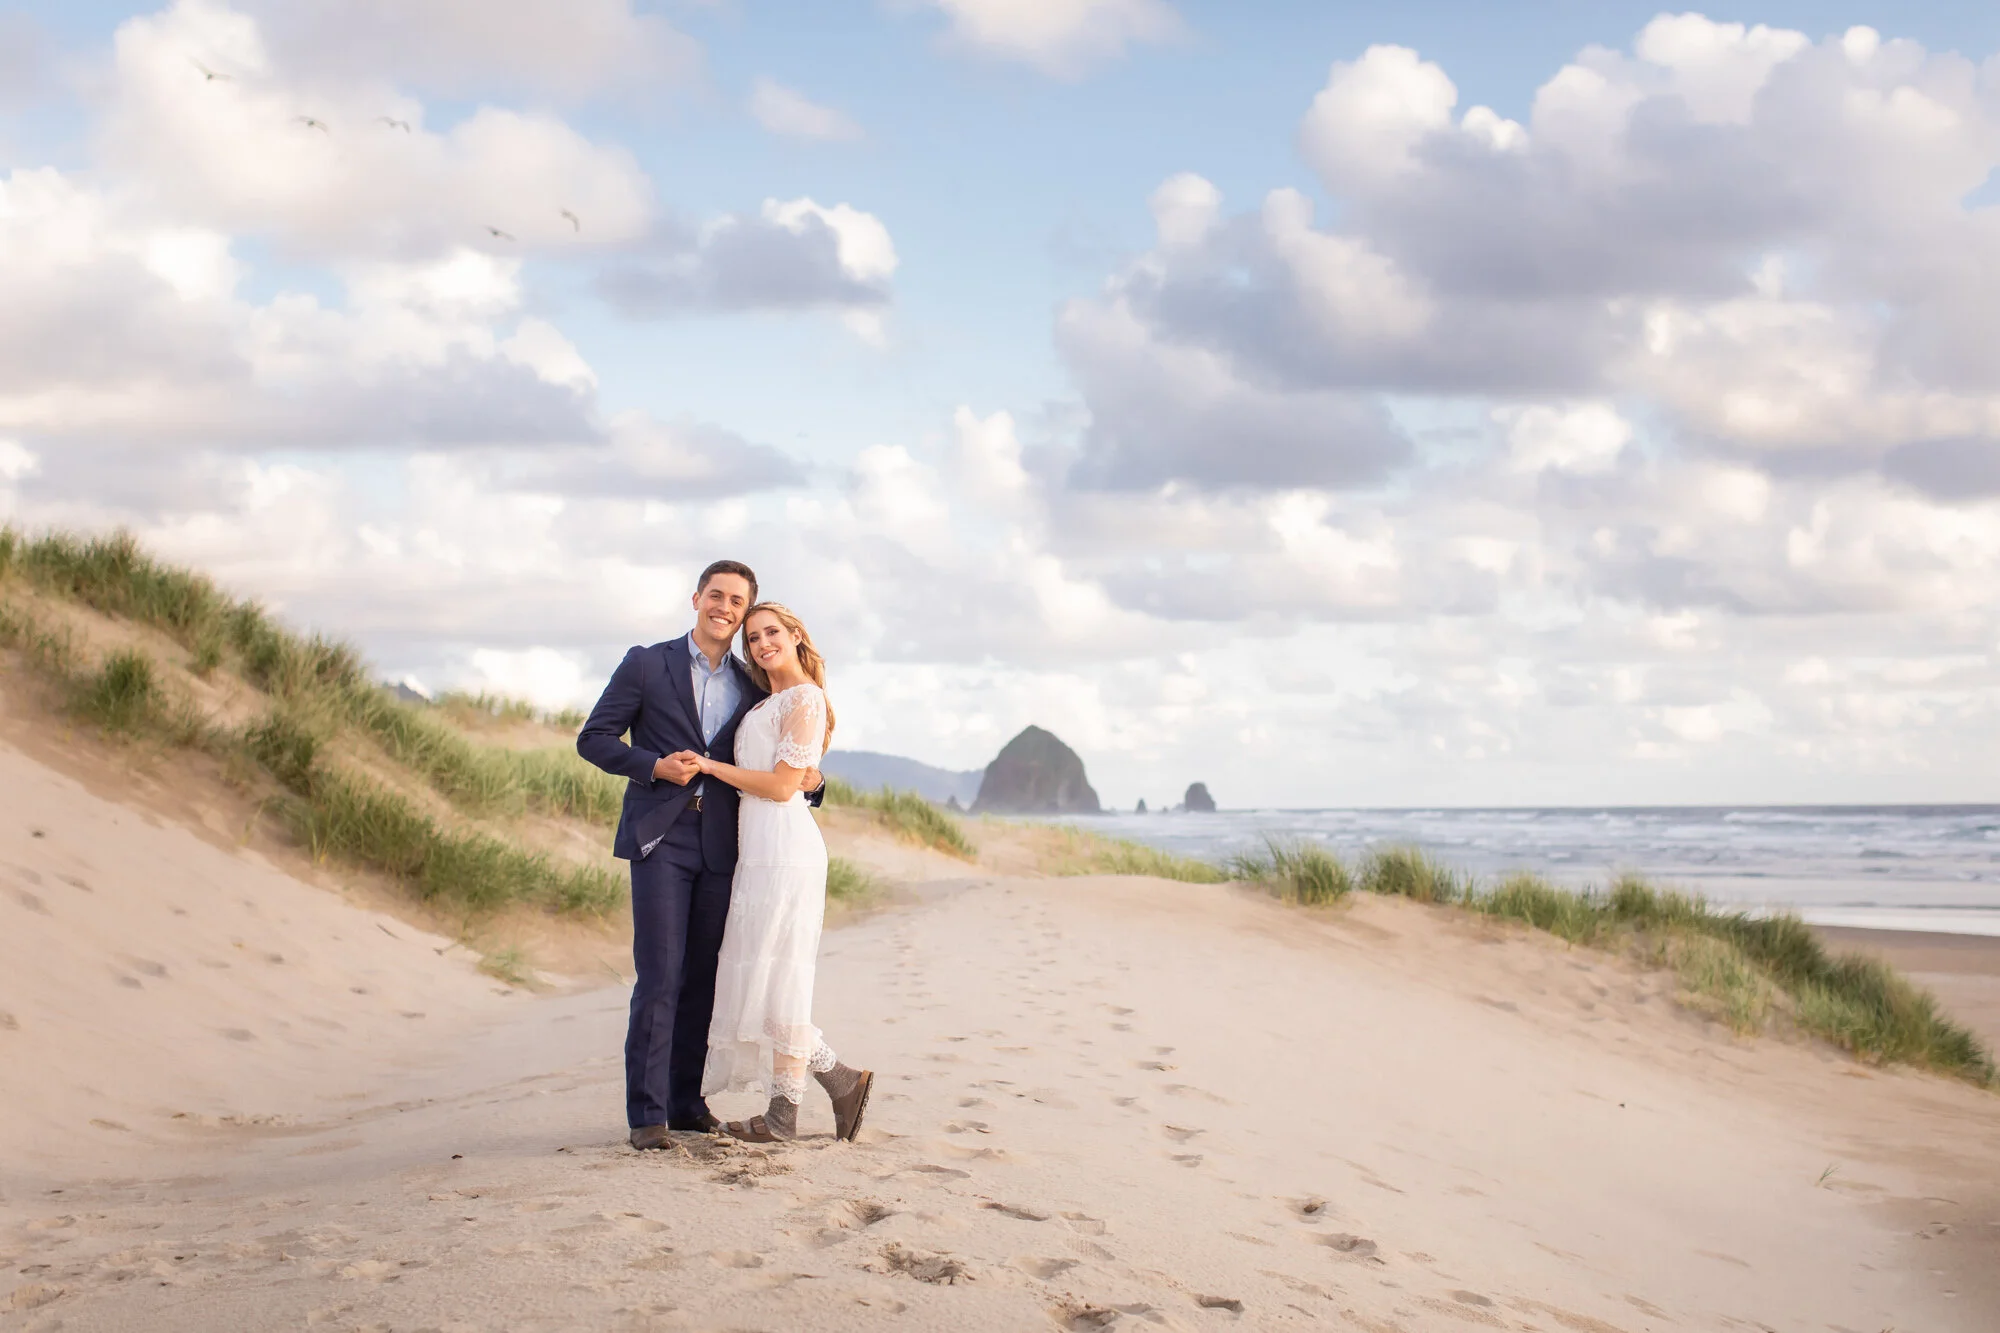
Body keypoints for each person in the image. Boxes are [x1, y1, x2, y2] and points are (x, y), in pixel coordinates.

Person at [575, 561, 823, 1150]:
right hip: (660, 838)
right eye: (718, 595)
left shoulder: (751, 681)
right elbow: (594, 739)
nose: (727, 608)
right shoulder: (645, 663)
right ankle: (648, 1117)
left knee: (704, 979)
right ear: (696, 599)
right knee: (660, 976)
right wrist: (652, 765)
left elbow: (782, 751)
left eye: (739, 602)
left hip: (726, 845)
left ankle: (687, 1103)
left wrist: (811, 783)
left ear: (744, 614)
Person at [675, 602, 873, 1143]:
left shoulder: (806, 698)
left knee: (779, 979)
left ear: (795, 636)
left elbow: (785, 786)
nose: (762, 643)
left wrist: (711, 767)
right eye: (753, 637)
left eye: (771, 633)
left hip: (786, 848)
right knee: (765, 980)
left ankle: (786, 1113)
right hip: (758, 850)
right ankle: (839, 1082)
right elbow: (793, 776)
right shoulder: (769, 701)